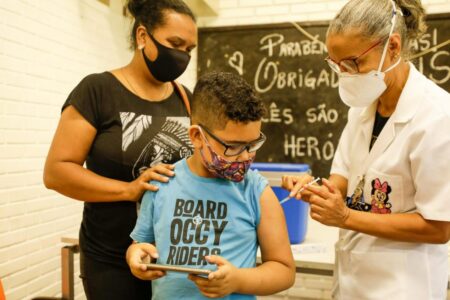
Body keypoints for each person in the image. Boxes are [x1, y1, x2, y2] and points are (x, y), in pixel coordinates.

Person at [282, 0, 450, 299]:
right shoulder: (362, 109)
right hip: (352, 282)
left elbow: (438, 227)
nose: (345, 75)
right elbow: (345, 180)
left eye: (353, 63)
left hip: (404, 287)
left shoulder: (437, 117)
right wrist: (319, 190)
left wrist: (345, 217)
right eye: (336, 64)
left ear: (393, 48)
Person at [43, 0, 197, 299]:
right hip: (111, 261)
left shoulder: (186, 100)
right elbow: (57, 172)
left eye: (189, 49)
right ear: (142, 36)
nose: (182, 56)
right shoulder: (98, 90)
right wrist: (129, 189)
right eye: (175, 43)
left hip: (172, 260)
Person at [126, 72, 296, 299]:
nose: (246, 156)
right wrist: (136, 256)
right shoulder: (162, 183)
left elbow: (284, 270)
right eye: (234, 146)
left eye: (252, 144)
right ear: (197, 136)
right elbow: (140, 245)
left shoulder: (256, 191)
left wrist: (237, 280)